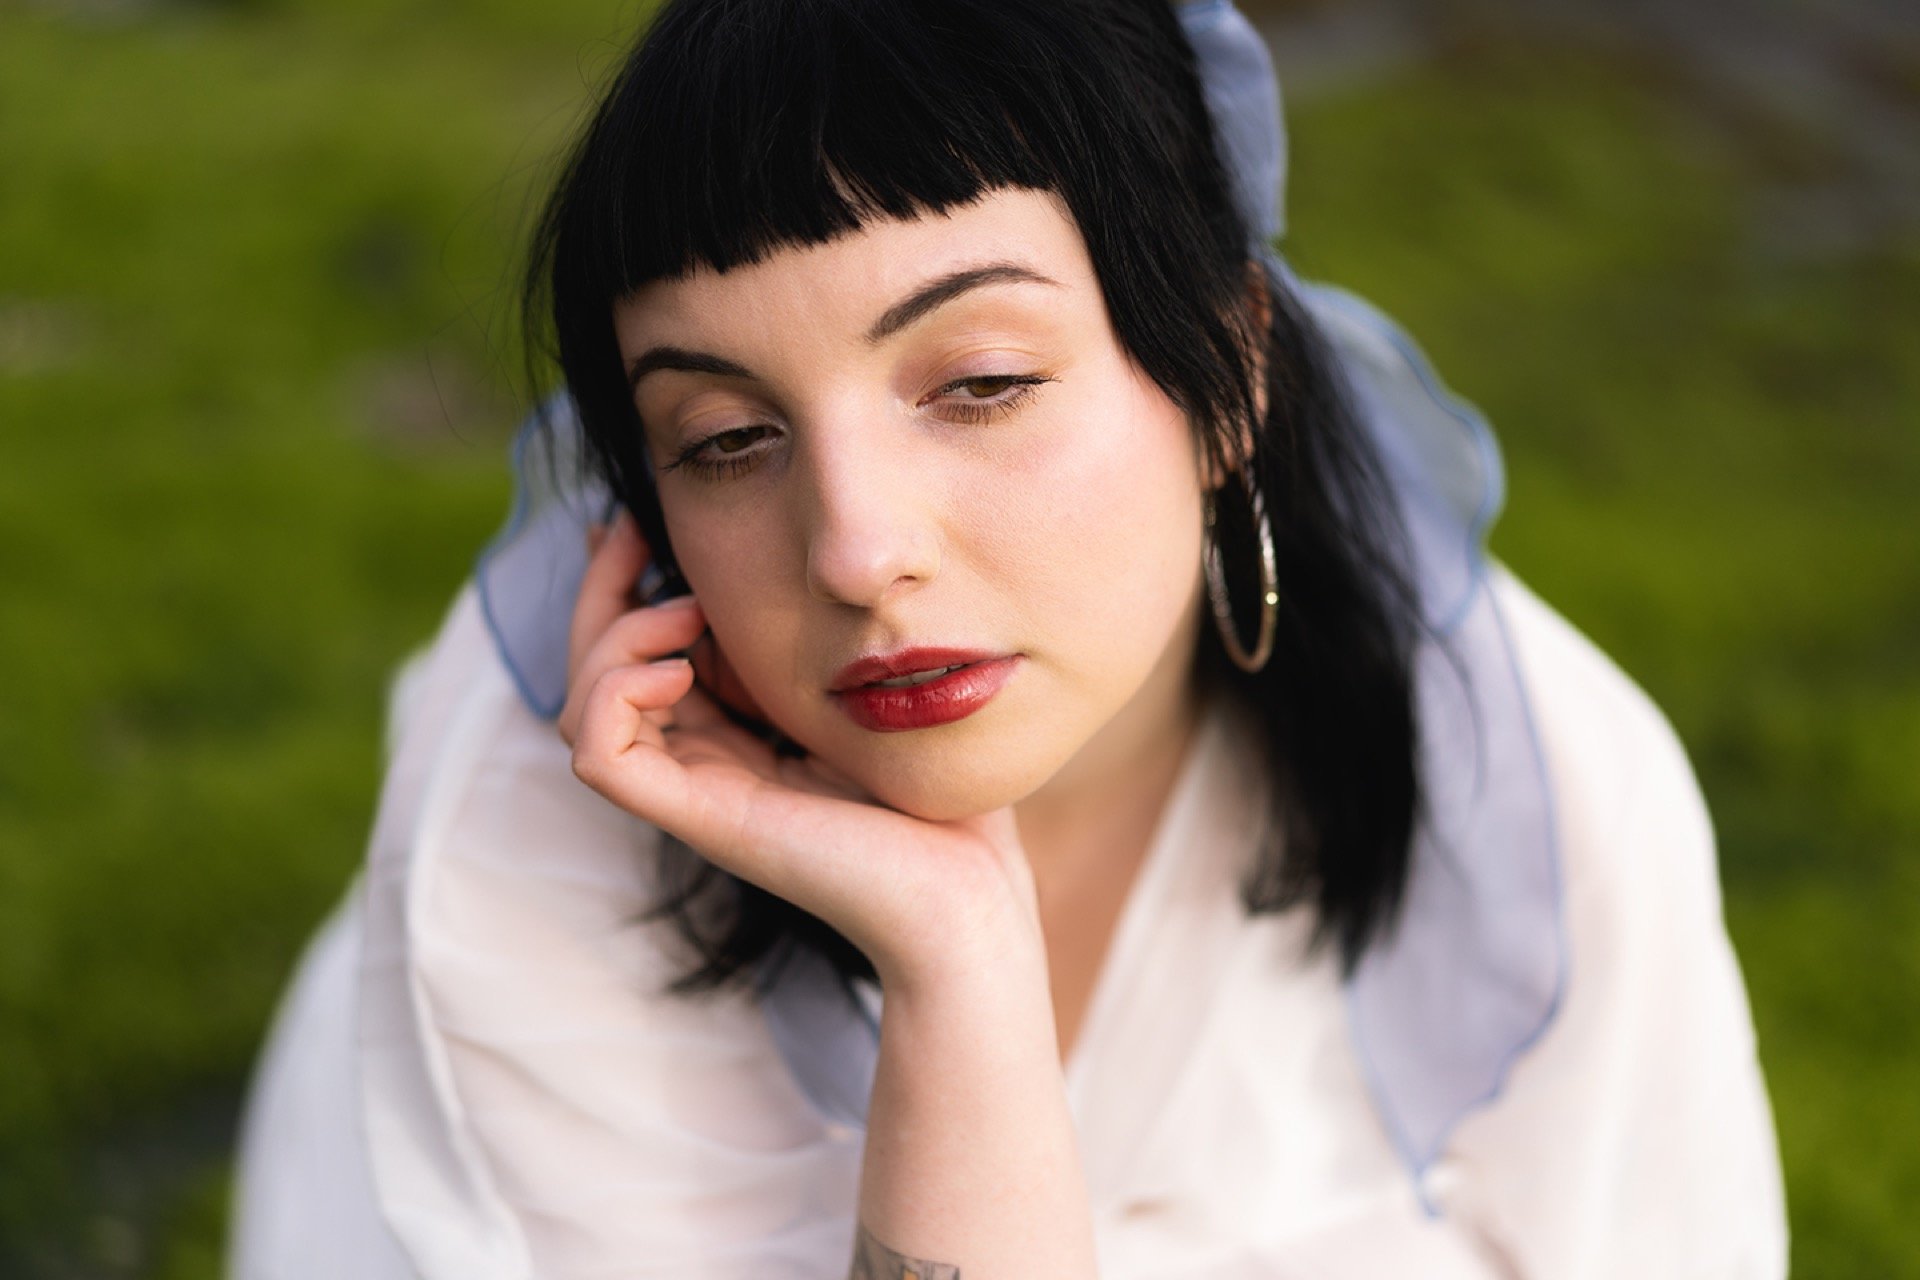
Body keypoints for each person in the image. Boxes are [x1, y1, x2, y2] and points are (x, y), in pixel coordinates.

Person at [226, 0, 1788, 1275]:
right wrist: (962, 973)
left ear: (1231, 371)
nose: (856, 551)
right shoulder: (531, 848)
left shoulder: (1540, 790)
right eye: (723, 439)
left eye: (977, 384)